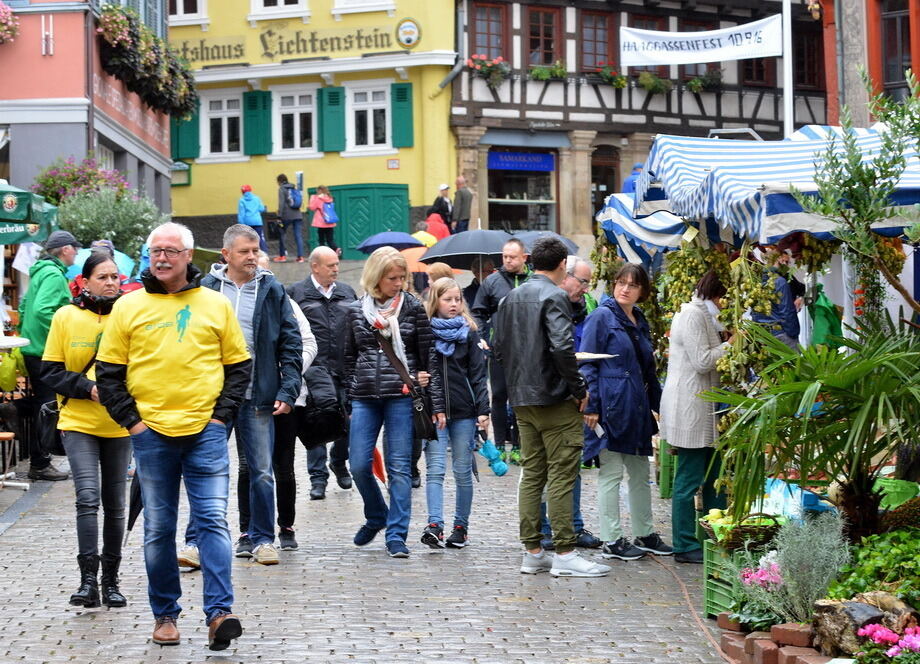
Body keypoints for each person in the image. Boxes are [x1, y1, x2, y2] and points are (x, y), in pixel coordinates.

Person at [96, 222, 251, 650]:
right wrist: (134, 423)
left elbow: (238, 367)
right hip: (151, 435)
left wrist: (221, 420)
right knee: (159, 529)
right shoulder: (128, 307)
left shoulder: (215, 305)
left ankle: (219, 614)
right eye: (154, 251)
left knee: (213, 523)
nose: (160, 258)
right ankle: (165, 615)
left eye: (169, 251)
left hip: (206, 433)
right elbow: (109, 374)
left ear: (188, 256)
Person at [181, 224, 302, 566]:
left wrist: (288, 387)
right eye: (245, 251)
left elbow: (290, 341)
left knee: (262, 470)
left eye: (255, 250)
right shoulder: (205, 288)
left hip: (257, 394)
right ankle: (196, 542)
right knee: (205, 469)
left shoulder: (271, 288)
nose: (252, 257)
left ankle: (263, 539)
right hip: (212, 396)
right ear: (226, 254)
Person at [493, 236, 610, 578]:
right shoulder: (554, 294)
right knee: (560, 474)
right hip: (553, 396)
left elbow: (498, 347)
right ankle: (565, 551)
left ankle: (532, 551)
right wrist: (578, 388)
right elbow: (561, 346)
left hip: (522, 396)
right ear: (562, 266)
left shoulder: (511, 297)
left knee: (532, 473)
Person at [41, 251, 130, 609]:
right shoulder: (66, 316)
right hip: (77, 420)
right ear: (85, 281)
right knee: (87, 498)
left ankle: (112, 580)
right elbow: (50, 371)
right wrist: (87, 388)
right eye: (103, 277)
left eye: (115, 277)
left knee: (116, 504)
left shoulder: (131, 313)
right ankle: (87, 580)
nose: (111, 283)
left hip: (120, 424)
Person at [344, 247, 445, 558]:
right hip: (365, 397)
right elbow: (347, 358)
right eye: (392, 278)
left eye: (402, 277)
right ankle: (377, 515)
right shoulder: (356, 310)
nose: (399, 283)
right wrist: (349, 391)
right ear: (376, 278)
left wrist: (435, 401)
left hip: (402, 395)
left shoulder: (413, 308)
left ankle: (396, 535)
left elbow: (429, 357)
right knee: (359, 465)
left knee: (399, 468)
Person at [580, 264, 672, 562]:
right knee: (611, 472)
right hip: (611, 404)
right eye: (621, 282)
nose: (625, 289)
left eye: (632, 285)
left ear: (642, 290)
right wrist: (592, 405)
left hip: (636, 406)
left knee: (639, 472)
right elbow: (586, 362)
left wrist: (661, 406)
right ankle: (611, 538)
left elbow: (648, 370)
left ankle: (645, 533)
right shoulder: (602, 317)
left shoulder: (639, 319)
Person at [660, 270, 731, 564]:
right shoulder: (692, 315)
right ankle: (684, 543)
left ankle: (712, 537)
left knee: (714, 477)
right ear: (718, 293)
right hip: (691, 407)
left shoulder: (707, 316)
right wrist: (732, 343)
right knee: (689, 477)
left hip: (707, 407)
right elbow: (702, 361)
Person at [418, 277, 489, 549]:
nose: (454, 304)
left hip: (463, 411)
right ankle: (435, 524)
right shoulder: (425, 332)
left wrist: (483, 410)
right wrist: (431, 406)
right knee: (435, 470)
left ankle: (461, 526)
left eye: (458, 299)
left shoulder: (469, 332)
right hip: (436, 414)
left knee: (461, 470)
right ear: (435, 301)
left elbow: (478, 375)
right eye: (448, 299)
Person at [539, 256, 602, 551]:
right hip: (546, 394)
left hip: (572, 395)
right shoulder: (545, 303)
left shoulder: (582, 309)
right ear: (565, 276)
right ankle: (545, 529)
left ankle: (573, 526)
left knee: (571, 463)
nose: (586, 289)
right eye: (584, 282)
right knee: (543, 467)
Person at [286, 246, 357, 499]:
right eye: (331, 265)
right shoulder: (296, 293)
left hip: (344, 366)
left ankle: (339, 461)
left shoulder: (347, 292)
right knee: (316, 422)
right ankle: (318, 478)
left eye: (337, 264)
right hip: (314, 371)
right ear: (315, 266)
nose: (336, 269)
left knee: (348, 421)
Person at [19, 229, 83, 482]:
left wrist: (27, 334)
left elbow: (25, 307)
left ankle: (16, 410)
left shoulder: (39, 271)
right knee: (46, 405)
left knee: (41, 402)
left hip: (32, 346)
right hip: (43, 349)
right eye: (74, 248)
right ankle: (40, 463)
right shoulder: (54, 275)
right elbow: (44, 310)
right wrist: (64, 335)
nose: (76, 252)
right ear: (65, 249)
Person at [472, 238, 530, 462]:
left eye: (512, 257)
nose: (507, 260)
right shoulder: (492, 281)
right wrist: (482, 336)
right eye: (505, 256)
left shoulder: (532, 280)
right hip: (499, 349)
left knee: (520, 398)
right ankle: (499, 445)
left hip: (526, 350)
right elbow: (478, 311)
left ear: (524, 258)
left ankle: (517, 445)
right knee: (498, 396)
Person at [751, 246, 800, 349]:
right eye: (785, 262)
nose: (786, 266)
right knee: (794, 364)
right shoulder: (780, 282)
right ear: (779, 259)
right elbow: (787, 311)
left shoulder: (755, 282)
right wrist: (794, 333)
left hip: (763, 335)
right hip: (781, 334)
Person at [275, 174, 305, 263]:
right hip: (298, 215)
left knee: (282, 233)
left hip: (287, 215)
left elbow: (281, 203)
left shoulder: (282, 188)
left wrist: (279, 216)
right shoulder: (294, 188)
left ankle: (282, 256)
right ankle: (301, 257)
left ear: (279, 181)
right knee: (298, 236)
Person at [309, 185, 339, 255]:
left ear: (320, 191)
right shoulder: (329, 198)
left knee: (321, 240)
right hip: (329, 222)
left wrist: (313, 198)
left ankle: (322, 254)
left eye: (317, 191)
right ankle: (336, 249)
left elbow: (312, 207)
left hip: (321, 223)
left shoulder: (318, 198)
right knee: (330, 240)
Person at [237, 184, 268, 252]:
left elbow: (241, 214)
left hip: (247, 223)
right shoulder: (257, 198)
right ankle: (264, 254)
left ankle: (251, 254)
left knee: (248, 239)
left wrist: (241, 224)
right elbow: (262, 209)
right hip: (257, 222)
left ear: (242, 192)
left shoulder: (241, 200)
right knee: (259, 238)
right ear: (250, 190)